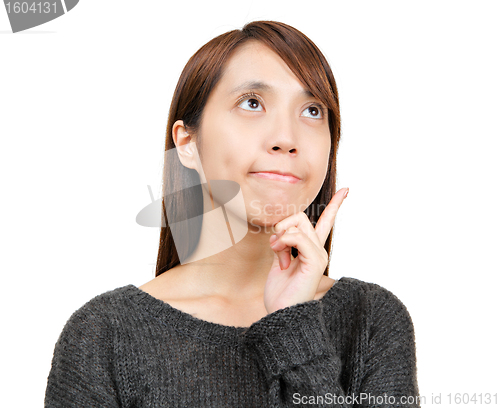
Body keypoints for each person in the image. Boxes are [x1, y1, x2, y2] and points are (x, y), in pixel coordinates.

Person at [44, 20, 419, 407]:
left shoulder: (371, 320)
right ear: (187, 142)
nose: (286, 139)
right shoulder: (103, 335)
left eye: (311, 110)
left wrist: (295, 327)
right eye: (252, 103)